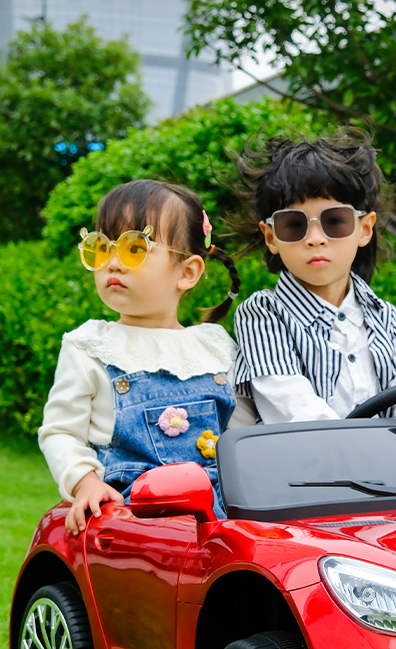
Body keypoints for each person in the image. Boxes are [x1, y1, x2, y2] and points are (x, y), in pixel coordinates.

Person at [38, 179, 253, 534]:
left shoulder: (214, 347)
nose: (113, 263)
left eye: (135, 248)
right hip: (132, 519)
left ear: (187, 272)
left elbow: (242, 435)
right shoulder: (90, 346)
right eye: (101, 248)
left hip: (220, 514)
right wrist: (85, 484)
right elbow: (61, 431)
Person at [231, 134, 396, 424]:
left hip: (382, 453)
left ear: (365, 229)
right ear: (271, 237)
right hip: (305, 452)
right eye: (293, 224)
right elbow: (291, 403)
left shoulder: (385, 315)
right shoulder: (264, 314)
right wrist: (352, 443)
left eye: (334, 221)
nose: (315, 239)